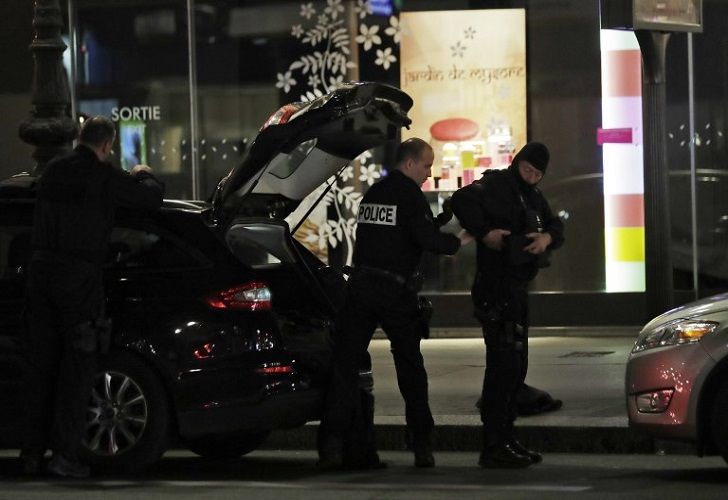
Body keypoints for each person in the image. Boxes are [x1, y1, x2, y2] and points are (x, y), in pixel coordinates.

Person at [20, 116, 165, 478]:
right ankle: (64, 457)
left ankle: (31, 453)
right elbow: (149, 198)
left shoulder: (53, 172)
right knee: (77, 369)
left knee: (41, 368)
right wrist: (143, 172)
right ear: (106, 145)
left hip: (39, 279)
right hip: (78, 283)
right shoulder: (101, 175)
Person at [318, 138, 471, 470]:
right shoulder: (410, 196)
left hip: (360, 289)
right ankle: (421, 446)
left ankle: (331, 446)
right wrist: (458, 241)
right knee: (410, 369)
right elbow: (426, 240)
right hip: (394, 293)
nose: (429, 174)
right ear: (410, 163)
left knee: (344, 369)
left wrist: (437, 221)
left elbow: (401, 230)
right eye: (427, 165)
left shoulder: (374, 193)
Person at [451, 142, 564, 468]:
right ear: (518, 163)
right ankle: (494, 444)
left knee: (515, 366)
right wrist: (485, 233)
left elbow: (556, 225)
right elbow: (459, 199)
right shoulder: (497, 184)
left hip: (516, 288)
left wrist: (547, 239)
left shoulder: (533, 195)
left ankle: (506, 437)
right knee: (501, 366)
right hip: (495, 287)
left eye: (537, 174)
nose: (530, 177)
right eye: (527, 169)